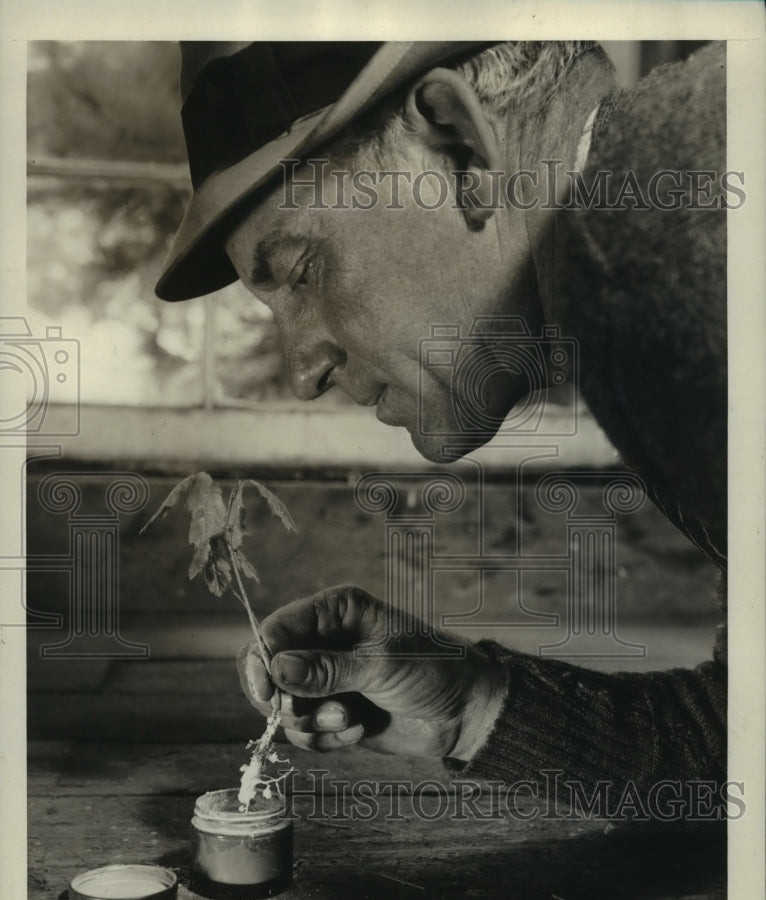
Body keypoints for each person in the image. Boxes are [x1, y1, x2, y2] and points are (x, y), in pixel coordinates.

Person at [156, 41, 727, 810]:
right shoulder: (648, 225)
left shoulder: (659, 247)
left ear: (459, 145)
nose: (304, 369)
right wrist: (469, 704)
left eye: (301, 269)